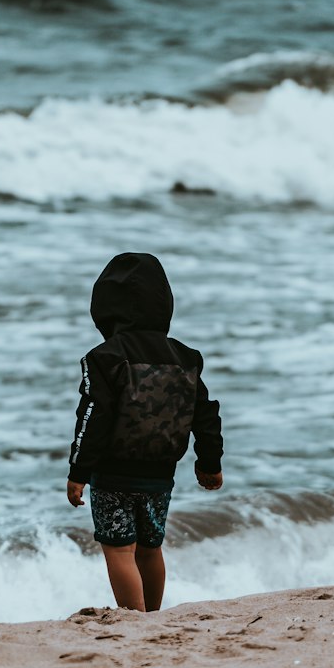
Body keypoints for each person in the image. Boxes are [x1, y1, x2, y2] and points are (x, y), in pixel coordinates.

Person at [67, 252, 223, 611]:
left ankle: (133, 621)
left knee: (120, 549)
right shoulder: (185, 357)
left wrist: (78, 470)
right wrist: (209, 462)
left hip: (113, 473)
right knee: (150, 548)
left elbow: (94, 415)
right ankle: (153, 617)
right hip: (160, 474)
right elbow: (206, 412)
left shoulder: (104, 357)